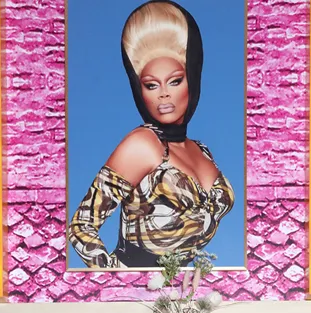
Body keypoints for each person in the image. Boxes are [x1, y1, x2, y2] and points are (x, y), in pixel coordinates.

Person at [68, 1, 235, 269]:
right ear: (140, 89)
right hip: (135, 290)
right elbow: (81, 227)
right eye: (151, 85)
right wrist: (119, 283)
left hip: (182, 288)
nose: (164, 94)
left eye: (175, 81)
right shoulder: (142, 144)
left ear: (192, 79)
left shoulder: (201, 150)